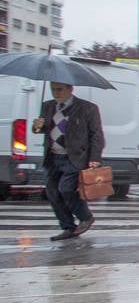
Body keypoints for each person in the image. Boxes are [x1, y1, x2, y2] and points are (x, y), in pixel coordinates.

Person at [32, 81, 105, 241]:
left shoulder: (87, 108)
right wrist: (36, 126)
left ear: (70, 89)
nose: (56, 93)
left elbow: (96, 135)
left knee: (66, 189)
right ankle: (68, 227)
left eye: (59, 89)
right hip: (52, 157)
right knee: (52, 193)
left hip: (74, 157)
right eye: (53, 90)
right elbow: (41, 129)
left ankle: (85, 217)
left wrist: (95, 157)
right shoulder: (48, 106)